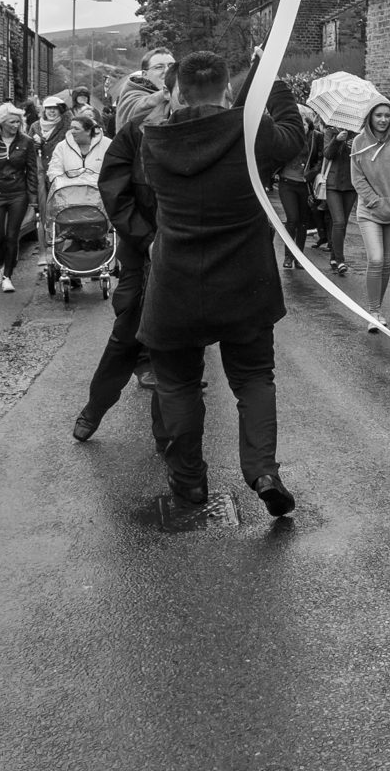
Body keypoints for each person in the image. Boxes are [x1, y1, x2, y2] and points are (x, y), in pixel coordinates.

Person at [138, 51, 305, 515]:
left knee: (178, 386)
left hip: (176, 283)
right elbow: (293, 136)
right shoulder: (250, 133)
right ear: (228, 90)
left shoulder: (152, 140)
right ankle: (263, 471)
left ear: (179, 90)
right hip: (244, 280)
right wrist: (274, 80)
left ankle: (189, 483)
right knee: (253, 378)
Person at [72, 63, 179, 446]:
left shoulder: (202, 135)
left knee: (175, 348)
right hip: (142, 253)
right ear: (168, 93)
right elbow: (115, 193)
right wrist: (147, 239)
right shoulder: (137, 131)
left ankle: (166, 439)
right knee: (125, 338)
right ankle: (94, 409)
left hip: (181, 259)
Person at [351, 99, 390, 333]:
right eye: (378, 115)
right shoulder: (359, 142)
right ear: (370, 117)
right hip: (369, 212)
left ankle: (378, 309)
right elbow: (357, 178)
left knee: (387, 263)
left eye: (387, 115)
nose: (383, 120)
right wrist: (374, 201)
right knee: (376, 259)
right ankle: (373, 312)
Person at [0, 102, 39, 293]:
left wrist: (33, 197)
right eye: (12, 122)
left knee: (12, 236)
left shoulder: (26, 141)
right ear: (2, 123)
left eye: (18, 122)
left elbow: (32, 171)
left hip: (18, 194)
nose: (15, 126)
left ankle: (7, 277)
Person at [277, 104, 323, 271]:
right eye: (298, 124)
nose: (301, 127)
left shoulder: (315, 138)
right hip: (287, 183)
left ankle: (299, 257)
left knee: (303, 223)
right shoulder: (287, 138)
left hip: (304, 185)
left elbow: (319, 161)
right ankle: (288, 256)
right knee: (292, 219)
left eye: (304, 124)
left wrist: (310, 174)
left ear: (308, 124)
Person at [321, 122, 359, 275]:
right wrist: (337, 140)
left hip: (351, 185)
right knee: (339, 221)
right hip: (332, 185)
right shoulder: (330, 132)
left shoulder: (357, 135)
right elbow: (327, 154)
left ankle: (333, 257)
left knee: (342, 224)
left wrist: (353, 145)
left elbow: (362, 157)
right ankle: (341, 260)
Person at [45, 111, 109, 198]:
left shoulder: (107, 144)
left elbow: (114, 172)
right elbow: (54, 170)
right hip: (69, 197)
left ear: (88, 131)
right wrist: (64, 185)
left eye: (76, 128)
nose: (72, 131)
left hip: (100, 197)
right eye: (71, 128)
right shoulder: (62, 146)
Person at [114, 47, 176, 132]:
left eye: (172, 66)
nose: (167, 70)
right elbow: (139, 107)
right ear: (144, 74)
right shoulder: (132, 92)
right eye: (159, 67)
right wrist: (169, 91)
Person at [34, 95, 71, 170]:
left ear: (60, 110)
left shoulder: (67, 125)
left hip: (61, 168)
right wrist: (34, 145)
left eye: (55, 108)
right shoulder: (35, 126)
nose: (52, 111)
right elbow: (27, 148)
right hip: (40, 169)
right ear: (44, 110)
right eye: (49, 108)